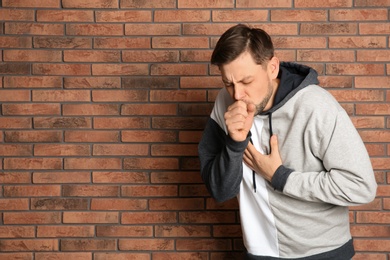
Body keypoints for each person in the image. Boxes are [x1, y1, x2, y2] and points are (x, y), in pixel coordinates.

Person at [198, 24, 377, 260]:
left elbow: (361, 187)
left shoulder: (316, 107)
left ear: (272, 67)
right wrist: (234, 144)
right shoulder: (225, 105)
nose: (237, 95)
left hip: (323, 254)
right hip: (259, 253)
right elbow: (221, 192)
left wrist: (280, 176)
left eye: (246, 81)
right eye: (228, 83)